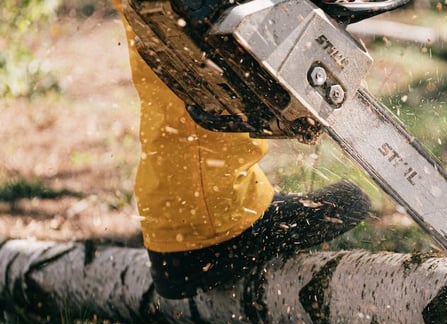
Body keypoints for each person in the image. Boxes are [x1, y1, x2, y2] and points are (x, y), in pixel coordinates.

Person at [112, 0, 371, 299]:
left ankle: (187, 218)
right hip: (210, 222)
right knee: (193, 15)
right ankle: (212, 221)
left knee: (164, 16)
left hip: (181, 217)